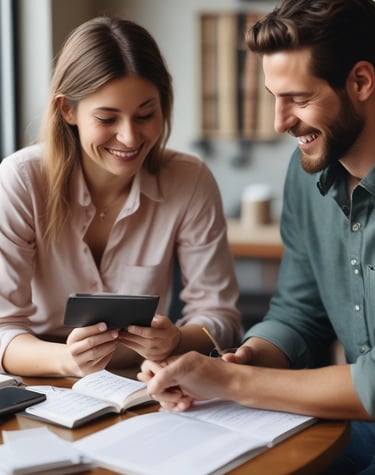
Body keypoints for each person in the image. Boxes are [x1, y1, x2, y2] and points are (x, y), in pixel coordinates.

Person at [139, 0, 375, 473]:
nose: (279, 121)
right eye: (274, 96)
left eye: (299, 99)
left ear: (361, 82)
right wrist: (248, 358)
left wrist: (229, 381)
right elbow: (297, 312)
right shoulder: (305, 176)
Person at [0, 16, 241, 378]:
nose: (129, 138)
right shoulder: (21, 179)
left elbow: (220, 318)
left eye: (146, 114)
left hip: (144, 386)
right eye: (108, 119)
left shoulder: (190, 181)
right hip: (43, 384)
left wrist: (175, 339)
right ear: (68, 110)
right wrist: (66, 360)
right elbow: (3, 329)